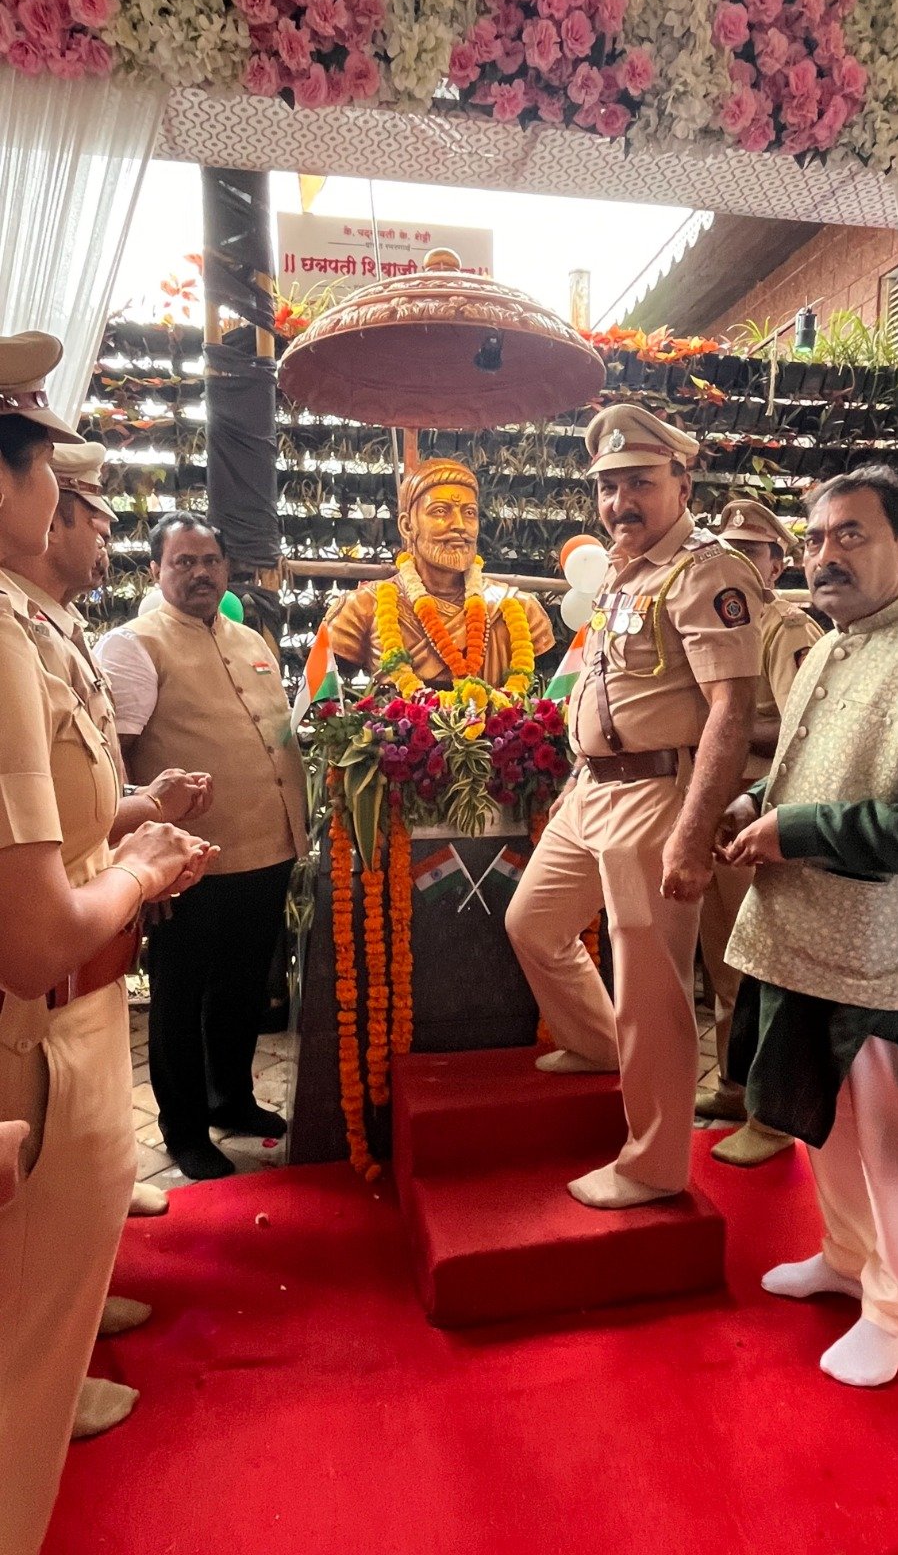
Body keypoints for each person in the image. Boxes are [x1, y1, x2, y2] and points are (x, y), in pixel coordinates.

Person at [0, 331, 216, 1555]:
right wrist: (141, 868)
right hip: (34, 1024)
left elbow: (63, 824)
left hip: (68, 1009)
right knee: (18, 1394)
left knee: (38, 1326)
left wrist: (126, 831)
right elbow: (33, 934)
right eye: (45, 464)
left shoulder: (30, 626)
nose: (70, 500)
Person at [506, 403, 764, 1209]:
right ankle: (595, 1043)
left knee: (651, 986)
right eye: (608, 486)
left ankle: (653, 1164)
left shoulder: (706, 571)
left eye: (640, 483)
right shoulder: (627, 569)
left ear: (682, 482)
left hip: (656, 796)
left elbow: (730, 709)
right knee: (532, 923)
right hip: (593, 789)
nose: (621, 502)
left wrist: (693, 832)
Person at [721, 463, 898, 1388]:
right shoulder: (830, 644)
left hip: (879, 955)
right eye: (818, 537)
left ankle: (893, 1310)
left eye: (852, 534)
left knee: (886, 1140)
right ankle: (844, 1256)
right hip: (800, 933)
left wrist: (793, 831)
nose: (826, 554)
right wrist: (757, 802)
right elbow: (803, 767)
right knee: (818, 1123)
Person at [96, 512, 308, 1181]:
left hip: (266, 849)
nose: (199, 573)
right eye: (182, 561)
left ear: (227, 566)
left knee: (243, 989)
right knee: (179, 999)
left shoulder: (249, 639)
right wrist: (137, 860)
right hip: (185, 866)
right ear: (155, 570)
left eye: (209, 560)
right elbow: (112, 761)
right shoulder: (135, 645)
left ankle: (231, 1099)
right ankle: (184, 1129)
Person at [696, 498, 822, 1166]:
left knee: (756, 965)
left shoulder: (784, 626)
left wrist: (724, 727)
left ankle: (767, 1114)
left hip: (757, 807)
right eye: (731, 551)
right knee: (724, 957)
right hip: (715, 806)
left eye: (754, 552)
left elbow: (802, 727)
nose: (740, 563)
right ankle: (734, 1084)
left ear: (778, 564)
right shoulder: (716, 619)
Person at [326, 457, 555, 689]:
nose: (459, 525)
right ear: (407, 526)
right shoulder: (362, 607)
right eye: (440, 511)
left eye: (469, 513)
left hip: (496, 714)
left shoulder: (519, 608)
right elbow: (323, 696)